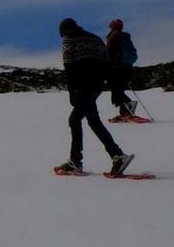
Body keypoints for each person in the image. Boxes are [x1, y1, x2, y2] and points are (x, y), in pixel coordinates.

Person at [54, 18, 133, 177]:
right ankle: (114, 156)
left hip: (83, 87)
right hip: (96, 86)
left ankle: (81, 161)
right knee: (92, 120)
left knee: (76, 120)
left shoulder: (69, 41)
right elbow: (107, 64)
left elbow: (69, 69)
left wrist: (72, 93)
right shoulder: (94, 38)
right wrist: (112, 86)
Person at [105, 18, 139, 120]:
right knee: (118, 89)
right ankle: (125, 112)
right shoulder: (125, 37)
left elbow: (109, 53)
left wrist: (108, 66)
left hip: (116, 68)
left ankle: (127, 110)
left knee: (115, 89)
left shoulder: (113, 36)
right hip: (127, 67)